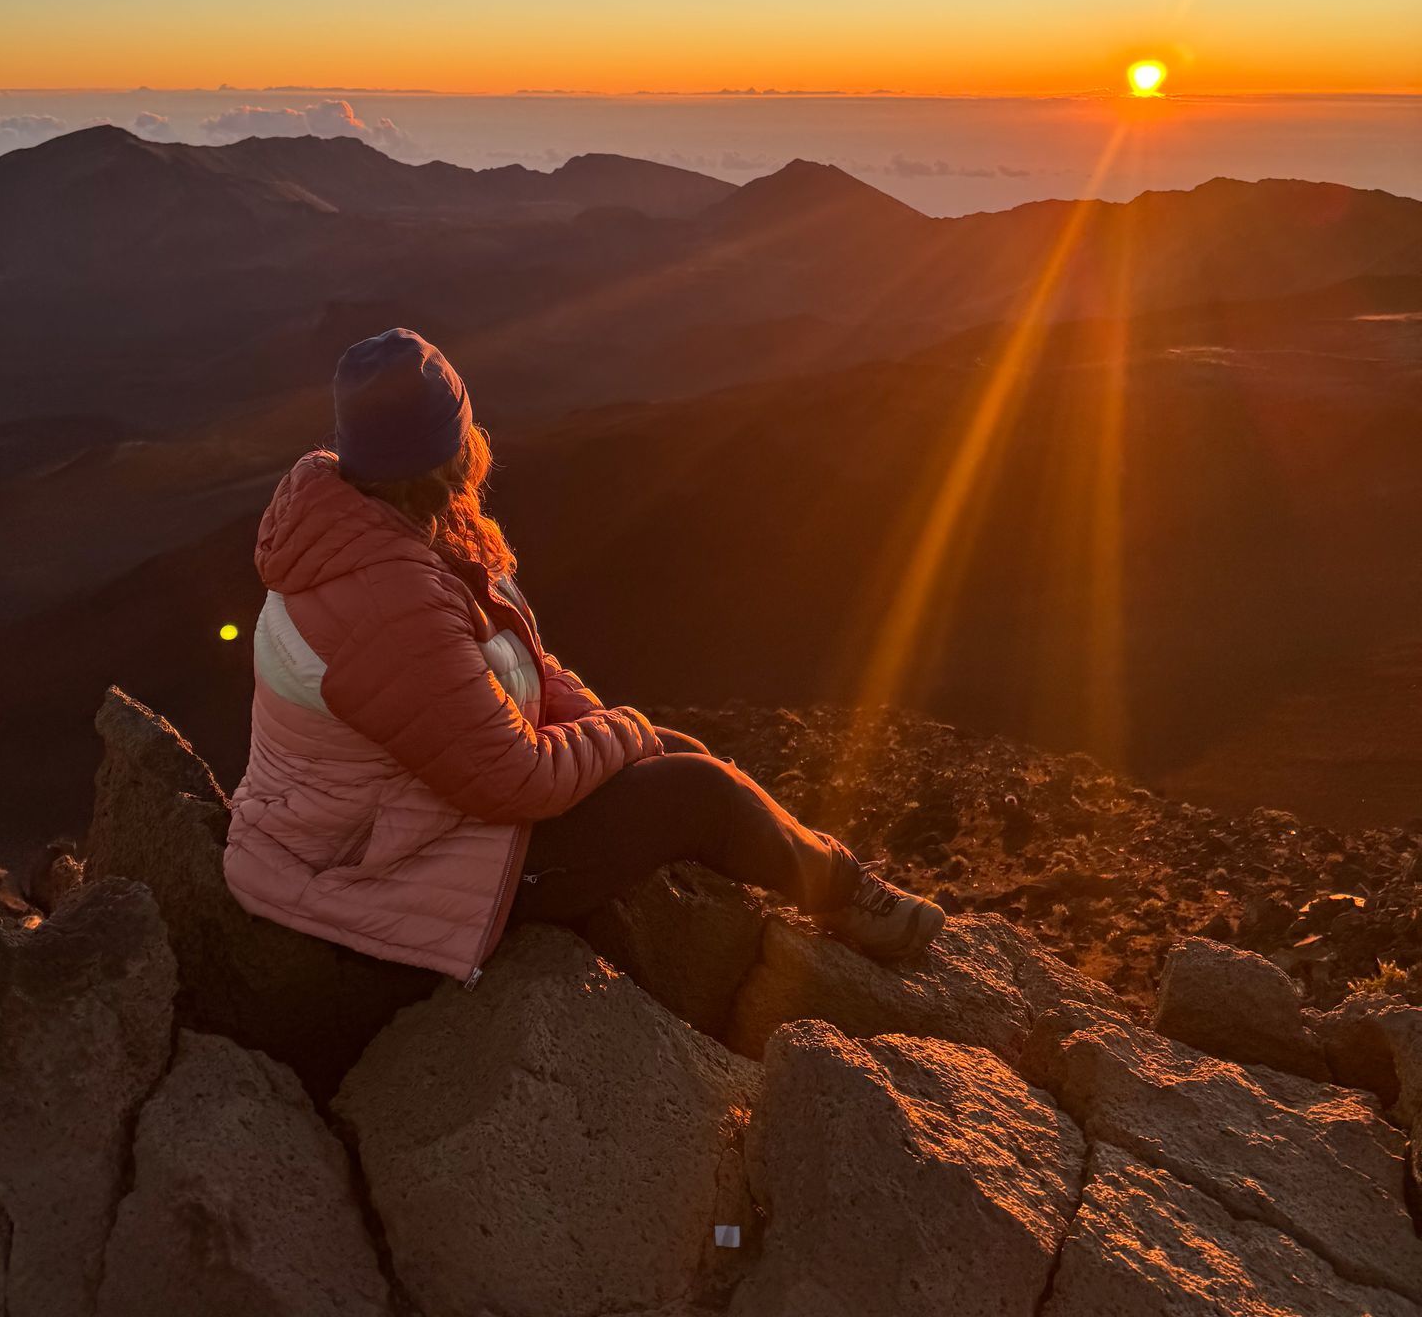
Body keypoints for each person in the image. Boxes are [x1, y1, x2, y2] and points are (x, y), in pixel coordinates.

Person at [224, 327, 945, 985]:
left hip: (415, 814)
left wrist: (610, 730)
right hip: (376, 869)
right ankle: (846, 896)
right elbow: (516, 782)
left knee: (676, 750)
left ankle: (775, 898)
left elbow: (517, 661)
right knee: (699, 792)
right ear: (453, 446)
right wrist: (624, 731)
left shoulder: (390, 527)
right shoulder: (389, 594)